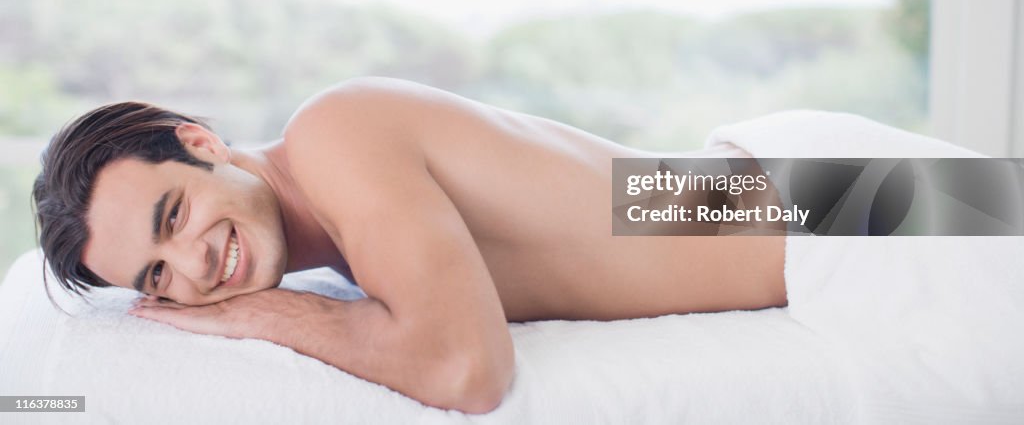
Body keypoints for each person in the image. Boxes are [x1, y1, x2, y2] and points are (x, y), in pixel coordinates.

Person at [32, 77, 787, 414]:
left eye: (175, 214)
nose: (193, 262)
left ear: (202, 143)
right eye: (156, 274)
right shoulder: (347, 239)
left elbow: (469, 371)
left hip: (822, 204)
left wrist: (268, 316)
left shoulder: (333, 132)